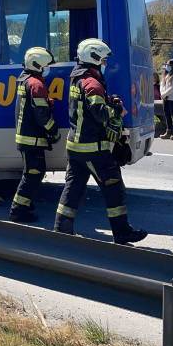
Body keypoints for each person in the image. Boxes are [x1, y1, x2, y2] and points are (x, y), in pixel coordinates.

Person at [53, 38, 147, 245]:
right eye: (103, 61)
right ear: (93, 58)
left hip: (75, 147)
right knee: (113, 187)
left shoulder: (78, 78)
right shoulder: (92, 82)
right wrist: (116, 109)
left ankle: (61, 228)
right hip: (93, 148)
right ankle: (122, 233)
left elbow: (88, 107)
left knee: (73, 187)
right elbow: (98, 112)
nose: (104, 65)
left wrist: (108, 101)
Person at [9, 47, 60, 223]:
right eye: (47, 66)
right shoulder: (36, 84)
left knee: (32, 173)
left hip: (27, 137)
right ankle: (18, 211)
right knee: (33, 174)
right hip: (33, 139)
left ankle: (25, 205)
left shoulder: (25, 81)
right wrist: (53, 131)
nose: (48, 69)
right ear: (37, 65)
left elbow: (34, 107)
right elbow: (42, 116)